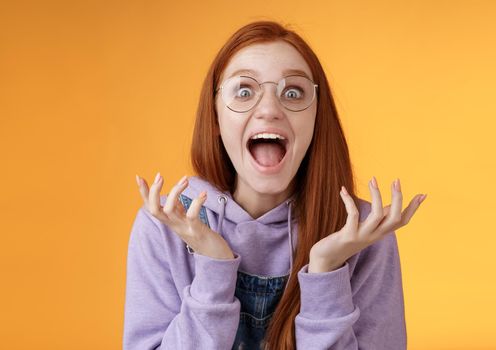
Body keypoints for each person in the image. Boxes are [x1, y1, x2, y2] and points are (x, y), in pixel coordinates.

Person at [123, 20, 427, 350]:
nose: (269, 110)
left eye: (293, 92)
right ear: (215, 119)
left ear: (316, 117)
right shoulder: (166, 226)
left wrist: (326, 272)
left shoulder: (362, 234)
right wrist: (213, 270)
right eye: (244, 91)